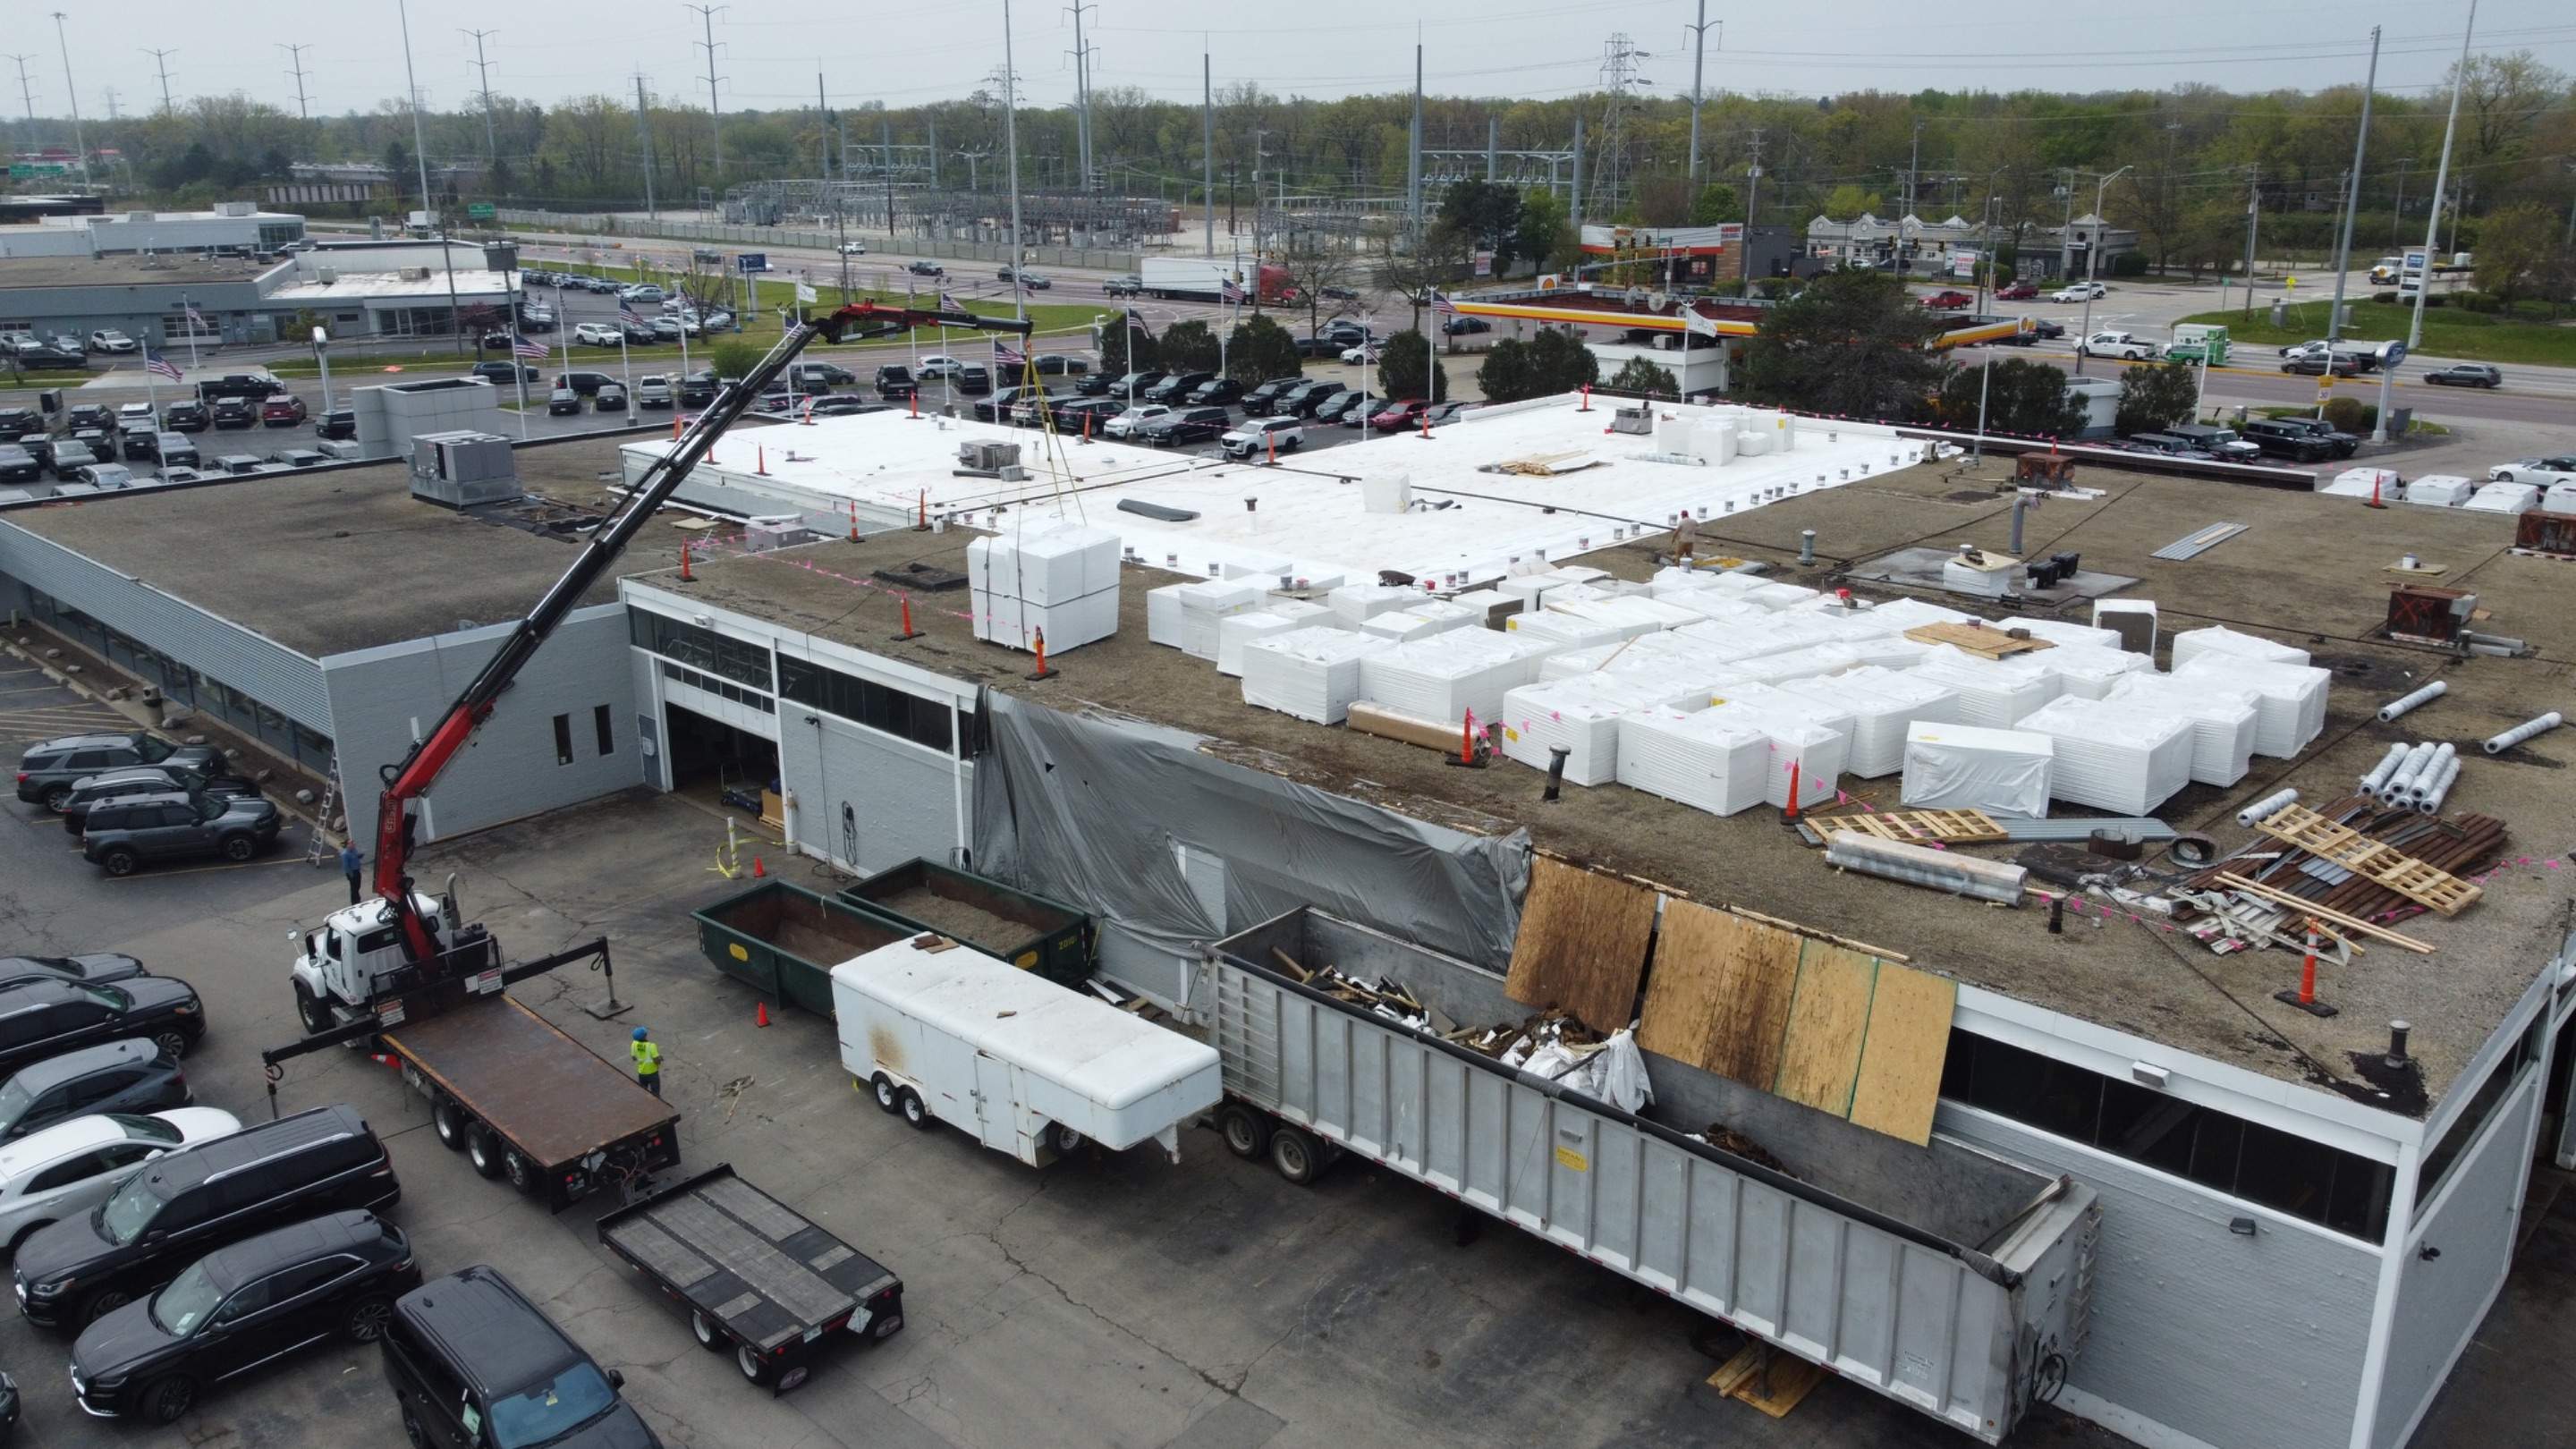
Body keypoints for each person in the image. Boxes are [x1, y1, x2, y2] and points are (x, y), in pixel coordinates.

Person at [630, 1026, 662, 1097]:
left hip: (641, 1073)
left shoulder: (634, 1044)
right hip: (652, 1073)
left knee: (643, 1091)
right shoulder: (651, 1046)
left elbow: (634, 1058)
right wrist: (660, 1059)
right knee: (655, 1093)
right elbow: (657, 1061)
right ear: (645, 1036)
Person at [339, 840, 363, 907]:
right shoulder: (345, 854)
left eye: (353, 843)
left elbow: (356, 856)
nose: (353, 844)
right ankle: (355, 902)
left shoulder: (354, 850)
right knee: (354, 888)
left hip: (357, 871)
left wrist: (359, 856)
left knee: (358, 886)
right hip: (352, 872)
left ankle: (357, 899)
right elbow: (346, 866)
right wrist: (351, 875)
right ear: (347, 845)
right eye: (351, 843)